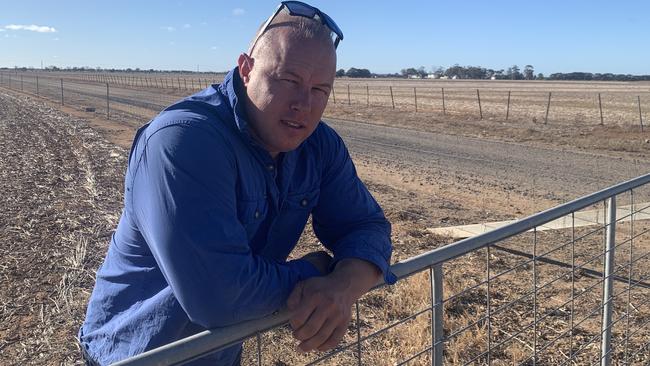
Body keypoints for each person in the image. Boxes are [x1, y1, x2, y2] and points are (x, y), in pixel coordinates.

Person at [79, 1, 395, 365]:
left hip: (220, 355)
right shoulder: (184, 141)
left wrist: (342, 286)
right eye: (288, 80)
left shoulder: (318, 146)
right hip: (137, 356)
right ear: (246, 69)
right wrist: (317, 269)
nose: (303, 105)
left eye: (320, 90)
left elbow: (366, 225)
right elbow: (218, 295)